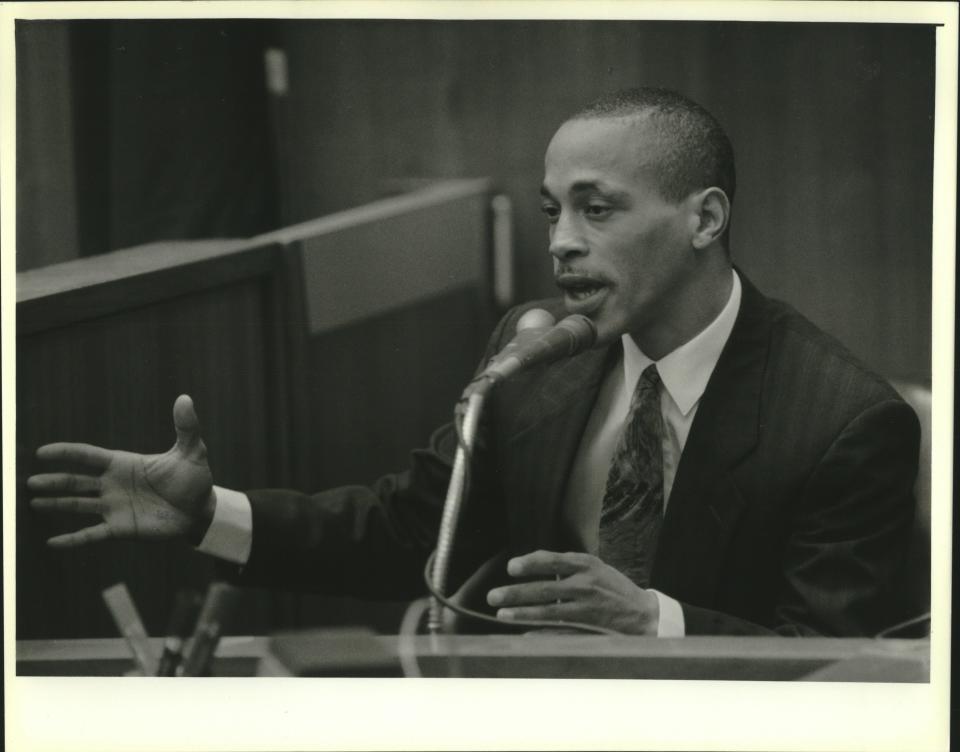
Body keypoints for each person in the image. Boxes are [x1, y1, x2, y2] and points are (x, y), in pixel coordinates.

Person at [28, 87, 920, 637]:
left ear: (705, 218)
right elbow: (418, 534)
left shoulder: (844, 419)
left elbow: (840, 667)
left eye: (597, 210)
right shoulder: (535, 358)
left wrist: (656, 623)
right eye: (550, 212)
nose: (562, 245)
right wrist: (209, 517)